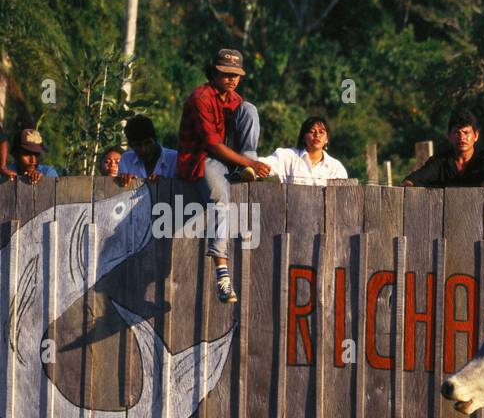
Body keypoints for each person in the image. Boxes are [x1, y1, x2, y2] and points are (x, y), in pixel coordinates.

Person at [177, 47, 267, 304]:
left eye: (236, 74)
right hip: (202, 159)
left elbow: (235, 136)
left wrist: (248, 162)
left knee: (250, 109)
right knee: (221, 203)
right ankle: (222, 275)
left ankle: (243, 169)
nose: (232, 79)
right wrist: (249, 162)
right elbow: (213, 145)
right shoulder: (200, 98)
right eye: (226, 73)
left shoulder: (236, 101)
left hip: (231, 160)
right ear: (214, 72)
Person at [402, 108, 484, 188]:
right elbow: (415, 178)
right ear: (449, 136)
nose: (462, 137)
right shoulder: (440, 161)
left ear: (476, 136)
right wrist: (408, 185)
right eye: (457, 133)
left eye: (466, 133)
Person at [259, 116, 347, 186]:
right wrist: (249, 165)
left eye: (321, 132)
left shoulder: (336, 168)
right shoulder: (287, 157)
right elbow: (259, 165)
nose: (317, 135)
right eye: (312, 131)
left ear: (327, 139)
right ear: (304, 137)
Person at [118, 114, 179, 183]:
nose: (144, 149)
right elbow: (120, 192)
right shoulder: (126, 160)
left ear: (155, 139)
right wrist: (126, 183)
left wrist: (167, 186)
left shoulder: (175, 159)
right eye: (138, 145)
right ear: (131, 146)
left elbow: (181, 192)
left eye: (147, 143)